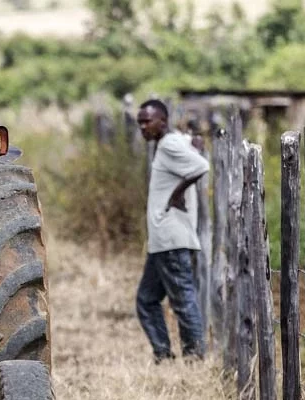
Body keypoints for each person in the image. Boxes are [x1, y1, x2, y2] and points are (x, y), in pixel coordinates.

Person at [135, 99, 210, 363]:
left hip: (171, 238)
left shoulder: (168, 144)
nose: (143, 126)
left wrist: (176, 194)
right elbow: (194, 153)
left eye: (147, 121)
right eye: (140, 122)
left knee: (182, 300)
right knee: (146, 299)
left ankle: (195, 357)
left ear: (162, 121)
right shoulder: (170, 142)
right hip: (162, 239)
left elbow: (201, 166)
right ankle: (164, 356)